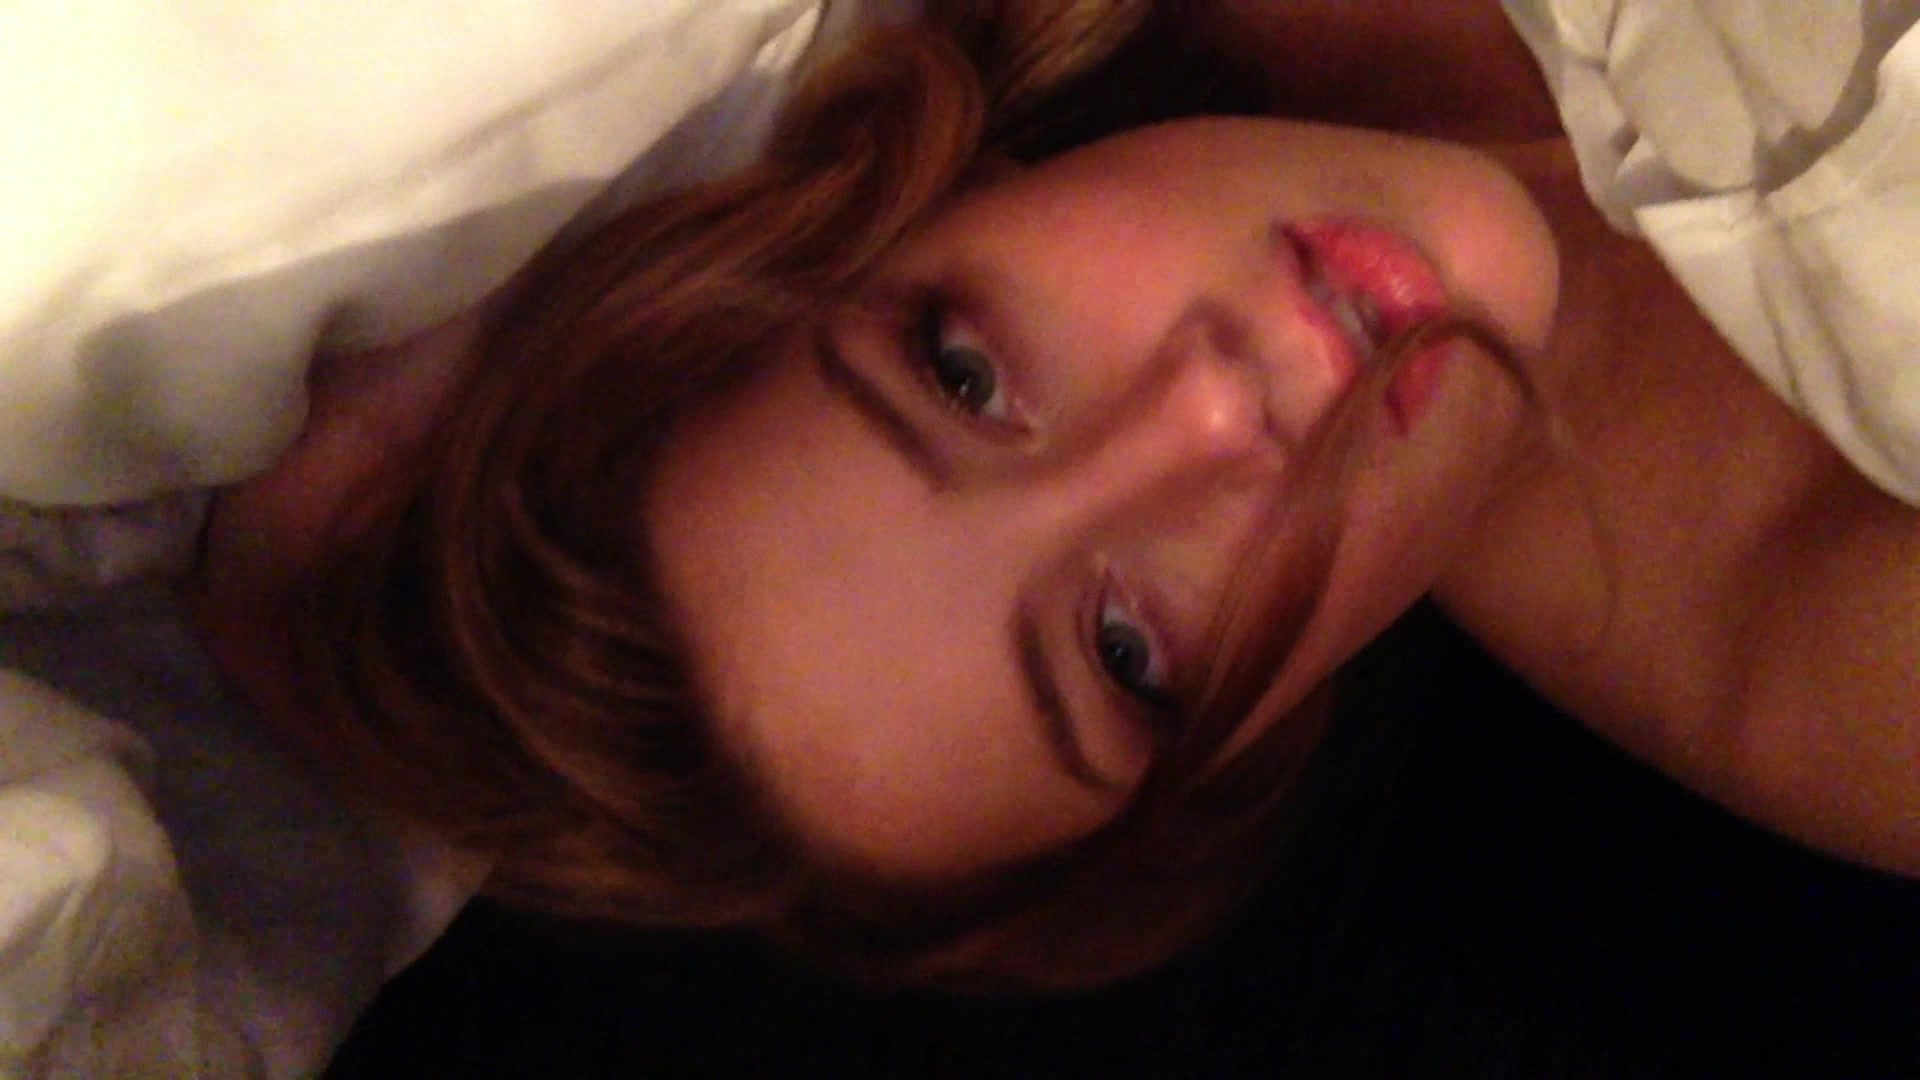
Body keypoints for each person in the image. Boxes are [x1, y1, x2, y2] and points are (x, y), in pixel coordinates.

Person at [164, 0, 1920, 1028]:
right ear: (1254, 736)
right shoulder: (1772, 623)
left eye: (964, 373)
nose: (1218, 421)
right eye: (1128, 651)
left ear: (913, 204)